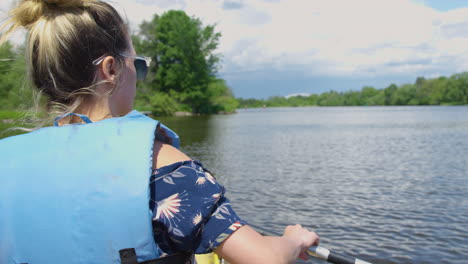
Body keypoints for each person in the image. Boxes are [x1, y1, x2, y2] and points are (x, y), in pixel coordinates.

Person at [0, 1, 319, 264]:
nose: (139, 77)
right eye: (137, 65)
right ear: (111, 70)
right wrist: (291, 241)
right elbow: (265, 259)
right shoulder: (157, 162)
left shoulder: (6, 163)